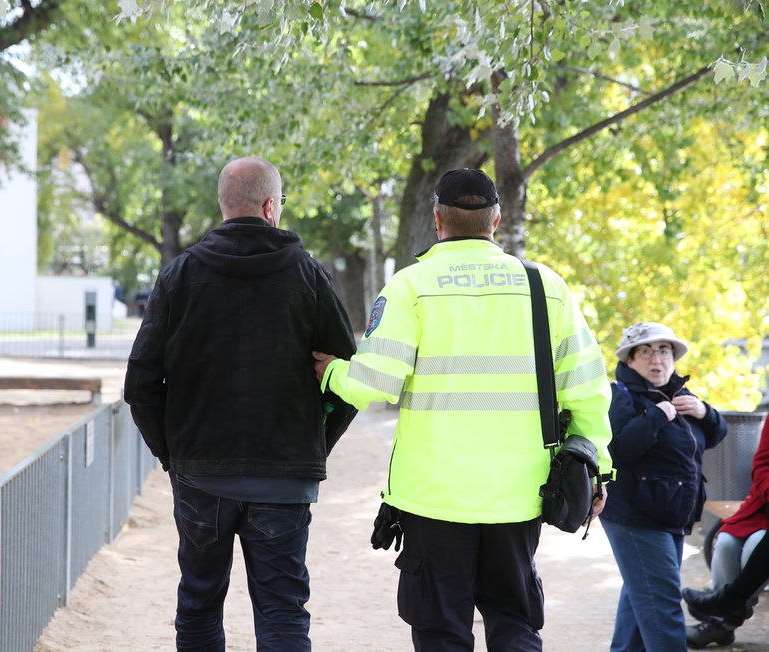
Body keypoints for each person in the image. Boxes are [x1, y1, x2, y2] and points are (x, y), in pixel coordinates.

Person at [311, 168, 614, 651]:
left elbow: (373, 384)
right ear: (496, 220)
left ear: (437, 220)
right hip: (520, 495)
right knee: (515, 623)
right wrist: (600, 469)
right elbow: (587, 388)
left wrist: (330, 372)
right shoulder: (545, 287)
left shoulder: (411, 285)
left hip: (434, 497)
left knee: (440, 631)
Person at [122, 156, 358, 651]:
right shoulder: (310, 277)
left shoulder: (179, 276)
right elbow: (349, 380)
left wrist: (173, 455)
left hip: (200, 473)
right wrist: (313, 446)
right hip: (285, 477)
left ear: (223, 205)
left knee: (199, 604)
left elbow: (140, 383)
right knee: (282, 610)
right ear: (271, 207)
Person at [598, 322, 728, 651]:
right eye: (646, 351)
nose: (657, 359)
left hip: (672, 513)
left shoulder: (681, 395)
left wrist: (706, 412)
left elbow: (714, 435)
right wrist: (657, 416)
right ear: (630, 360)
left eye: (665, 351)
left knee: (640, 598)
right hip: (635, 514)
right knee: (663, 604)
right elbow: (619, 449)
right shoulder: (620, 395)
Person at [683, 414, 769, 645]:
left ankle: (724, 616)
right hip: (763, 504)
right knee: (726, 542)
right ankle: (722, 615)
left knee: (755, 544)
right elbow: (762, 465)